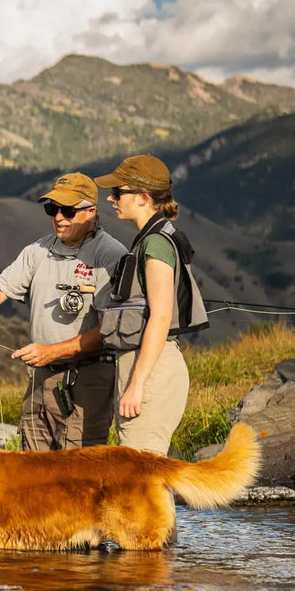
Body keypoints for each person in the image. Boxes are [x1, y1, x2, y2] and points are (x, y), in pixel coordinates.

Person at [0, 172, 126, 450]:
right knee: (33, 470)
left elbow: (110, 331)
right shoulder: (37, 250)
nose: (59, 217)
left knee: (76, 471)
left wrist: (51, 352)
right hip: (40, 378)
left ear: (91, 212)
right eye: (53, 209)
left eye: (68, 210)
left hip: (88, 380)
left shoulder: (110, 255)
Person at [91, 154, 209, 455]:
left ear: (143, 198)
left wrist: (137, 384)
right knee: (147, 482)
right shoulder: (149, 239)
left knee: (139, 478)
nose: (111, 197)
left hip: (150, 370)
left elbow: (160, 316)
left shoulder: (155, 244)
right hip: (146, 365)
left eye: (118, 192)